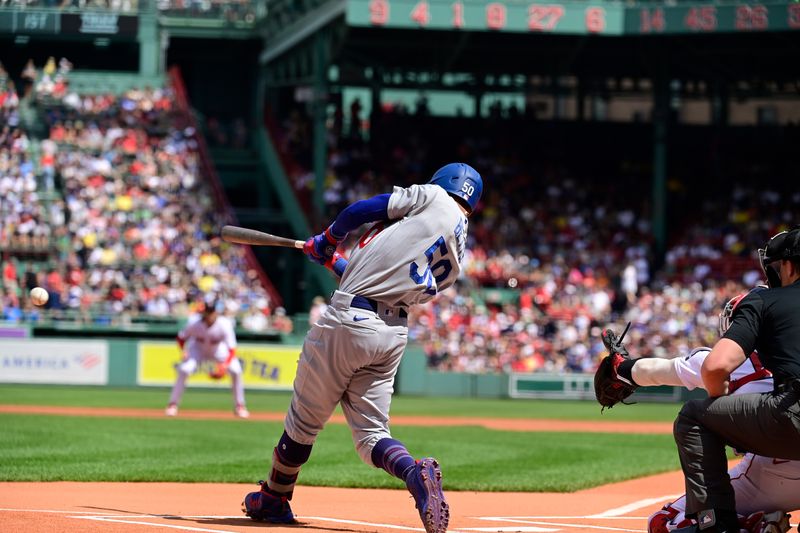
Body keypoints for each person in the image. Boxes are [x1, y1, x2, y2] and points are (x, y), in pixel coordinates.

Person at [241, 163, 484, 533]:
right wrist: (332, 261)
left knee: (304, 422)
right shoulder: (457, 249)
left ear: (443, 183)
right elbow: (379, 276)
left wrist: (328, 237)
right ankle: (413, 472)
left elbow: (361, 210)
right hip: (391, 334)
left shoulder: (432, 197)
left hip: (349, 320)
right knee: (372, 434)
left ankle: (275, 498)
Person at [606, 289, 799, 533]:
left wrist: (623, 370)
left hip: (769, 474)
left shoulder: (722, 359)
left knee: (663, 522)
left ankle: (750, 526)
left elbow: (658, 370)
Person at [671, 226, 800, 533]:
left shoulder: (766, 300)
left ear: (788, 265)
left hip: (793, 414)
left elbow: (716, 367)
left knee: (694, 417)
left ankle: (717, 523)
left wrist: (723, 413)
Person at [165, 299, 249, 418]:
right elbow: (181, 338)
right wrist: (183, 351)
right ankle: (172, 405)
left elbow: (232, 349)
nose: (209, 314)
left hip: (218, 350)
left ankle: (240, 406)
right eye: (207, 311)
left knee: (236, 370)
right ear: (204, 312)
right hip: (197, 349)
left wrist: (225, 365)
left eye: (211, 311)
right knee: (184, 370)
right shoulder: (194, 322)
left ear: (216, 312)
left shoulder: (224, 324)